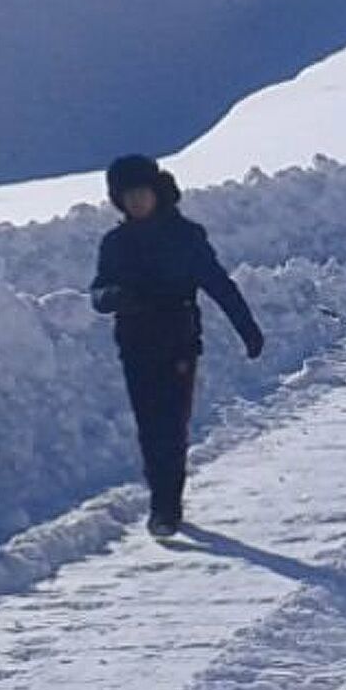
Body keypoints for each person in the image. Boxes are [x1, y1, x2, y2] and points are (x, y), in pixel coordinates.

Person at [91, 154, 264, 537]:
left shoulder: (185, 236)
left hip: (178, 343)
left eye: (142, 193)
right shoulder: (115, 243)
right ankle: (161, 500)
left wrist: (247, 328)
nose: (136, 201)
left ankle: (167, 507)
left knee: (171, 425)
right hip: (135, 345)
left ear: (156, 191)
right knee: (149, 427)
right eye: (127, 196)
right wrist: (114, 297)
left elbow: (219, 284)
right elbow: (97, 293)